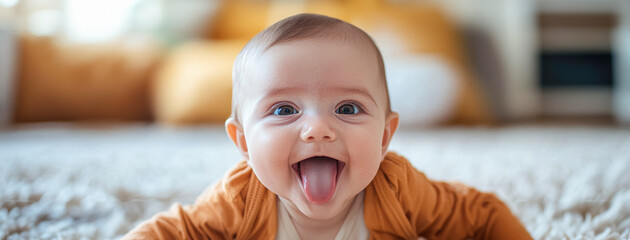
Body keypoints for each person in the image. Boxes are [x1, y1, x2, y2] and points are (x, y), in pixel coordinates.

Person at [124, 13, 532, 240]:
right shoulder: (240, 199)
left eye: (348, 108)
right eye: (284, 110)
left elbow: (483, 216)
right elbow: (171, 232)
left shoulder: (396, 188)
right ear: (243, 141)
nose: (317, 129)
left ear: (386, 135)